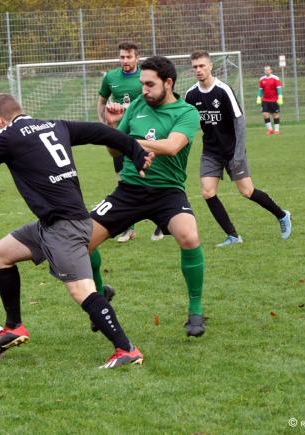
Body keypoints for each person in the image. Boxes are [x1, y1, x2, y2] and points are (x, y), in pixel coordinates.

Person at [0, 93, 154, 368]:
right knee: (0, 253)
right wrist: (136, 153)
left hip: (64, 227)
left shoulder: (6, 135)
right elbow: (100, 132)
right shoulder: (56, 125)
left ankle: (126, 349)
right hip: (54, 223)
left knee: (82, 291)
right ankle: (14, 325)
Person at [89, 55, 206, 337]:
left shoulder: (186, 112)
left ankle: (196, 310)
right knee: (81, 241)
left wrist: (126, 140)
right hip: (128, 190)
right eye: (142, 84)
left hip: (168, 193)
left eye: (150, 84)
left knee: (189, 236)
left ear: (168, 83)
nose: (143, 90)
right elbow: (114, 152)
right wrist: (115, 130)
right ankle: (99, 298)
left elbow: (171, 146)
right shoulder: (138, 105)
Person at [185, 51, 292, 248]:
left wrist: (238, 153)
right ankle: (233, 236)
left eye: (202, 66)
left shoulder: (223, 90)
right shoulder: (191, 94)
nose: (198, 70)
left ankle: (282, 215)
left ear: (210, 66)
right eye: (195, 67)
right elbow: (186, 120)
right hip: (210, 151)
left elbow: (239, 122)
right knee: (208, 192)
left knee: (247, 191)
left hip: (233, 149)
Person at [97, 41, 164, 243]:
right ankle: (128, 228)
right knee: (123, 179)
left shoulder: (145, 77)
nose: (125, 60)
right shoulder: (110, 77)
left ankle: (162, 222)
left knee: (151, 176)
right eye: (122, 57)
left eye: (129, 57)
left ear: (137, 58)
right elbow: (101, 101)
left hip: (145, 134)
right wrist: (106, 125)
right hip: (121, 135)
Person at [256, 65, 283, 136]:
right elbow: (260, 90)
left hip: (274, 100)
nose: (267, 71)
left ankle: (276, 130)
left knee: (275, 115)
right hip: (265, 100)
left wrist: (280, 97)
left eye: (268, 70)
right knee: (265, 114)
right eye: (265, 70)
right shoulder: (262, 79)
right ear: (264, 71)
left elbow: (279, 88)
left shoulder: (275, 78)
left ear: (271, 70)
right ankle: (270, 129)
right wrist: (259, 97)